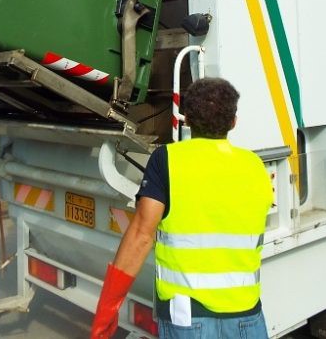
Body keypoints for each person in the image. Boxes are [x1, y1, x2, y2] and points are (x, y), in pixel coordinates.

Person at [90, 77, 274, 338]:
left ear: (186, 119)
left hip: (187, 319)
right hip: (247, 317)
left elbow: (141, 236)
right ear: (233, 122)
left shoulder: (167, 160)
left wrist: (106, 312)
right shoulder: (255, 166)